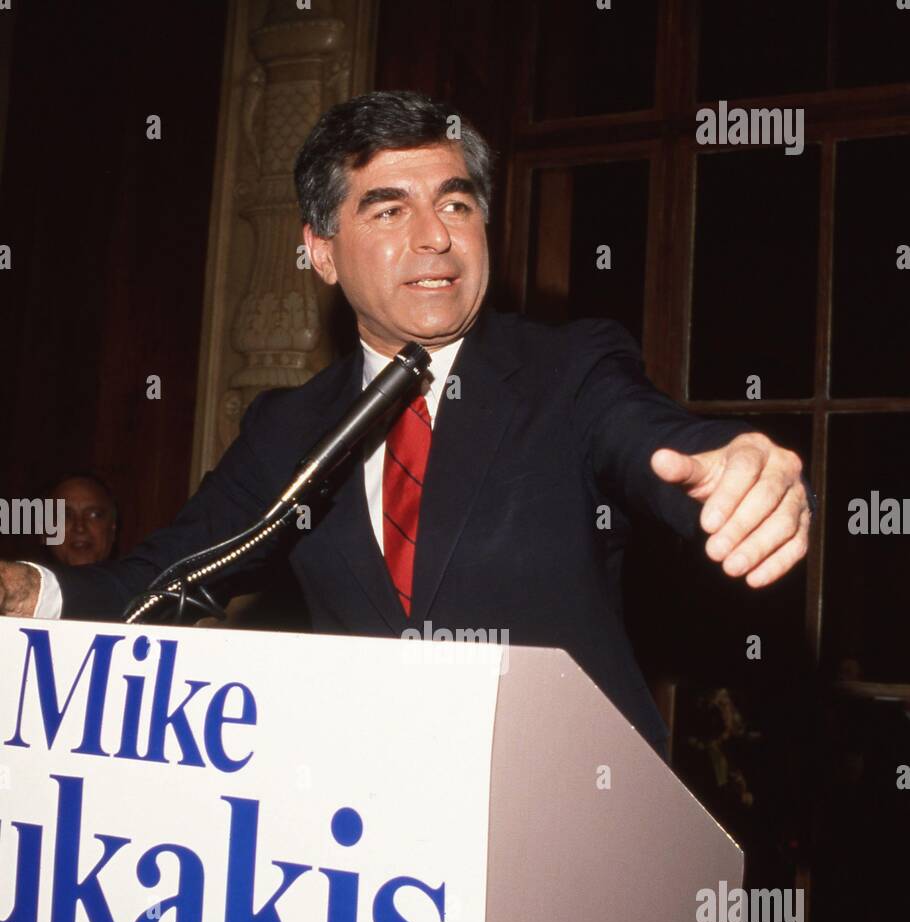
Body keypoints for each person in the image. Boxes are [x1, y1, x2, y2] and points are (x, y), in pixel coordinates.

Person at [0, 89, 813, 755]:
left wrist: (733, 468)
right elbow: (164, 578)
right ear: (320, 251)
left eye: (455, 204)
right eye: (388, 212)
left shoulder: (570, 371)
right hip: (372, 841)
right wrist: (29, 591)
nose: (435, 238)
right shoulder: (287, 427)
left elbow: (652, 441)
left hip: (574, 825)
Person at [43, 473, 118, 567]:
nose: (80, 528)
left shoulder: (137, 580)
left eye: (94, 515)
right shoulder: (23, 579)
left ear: (112, 529)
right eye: (65, 515)